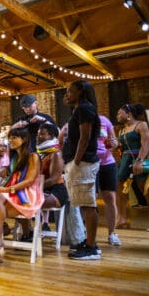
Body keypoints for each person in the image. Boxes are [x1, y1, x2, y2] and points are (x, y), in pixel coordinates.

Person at [0, 127, 44, 264]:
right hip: (12, 195)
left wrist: (7, 189)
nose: (10, 140)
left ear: (24, 139)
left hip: (26, 195)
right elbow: (1, 176)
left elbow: (29, 181)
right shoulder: (13, 158)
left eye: (14, 137)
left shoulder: (33, 156)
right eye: (9, 137)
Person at [63, 80, 102, 261]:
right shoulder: (80, 109)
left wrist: (76, 162)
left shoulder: (85, 108)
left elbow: (84, 137)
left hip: (83, 163)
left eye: (70, 91)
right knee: (85, 204)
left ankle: (91, 247)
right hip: (80, 163)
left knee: (88, 204)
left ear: (80, 91)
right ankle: (89, 242)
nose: (67, 94)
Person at [115, 103, 149, 232]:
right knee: (120, 187)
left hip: (142, 158)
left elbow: (146, 142)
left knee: (147, 188)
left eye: (120, 113)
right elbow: (123, 147)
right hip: (126, 160)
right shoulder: (122, 130)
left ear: (128, 114)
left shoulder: (141, 125)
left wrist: (140, 160)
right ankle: (122, 218)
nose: (117, 115)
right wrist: (116, 145)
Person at [96, 115, 121, 246]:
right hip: (90, 164)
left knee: (110, 198)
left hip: (107, 163)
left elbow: (114, 141)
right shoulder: (81, 121)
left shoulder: (104, 120)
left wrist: (114, 144)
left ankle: (112, 233)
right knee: (90, 199)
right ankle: (87, 234)